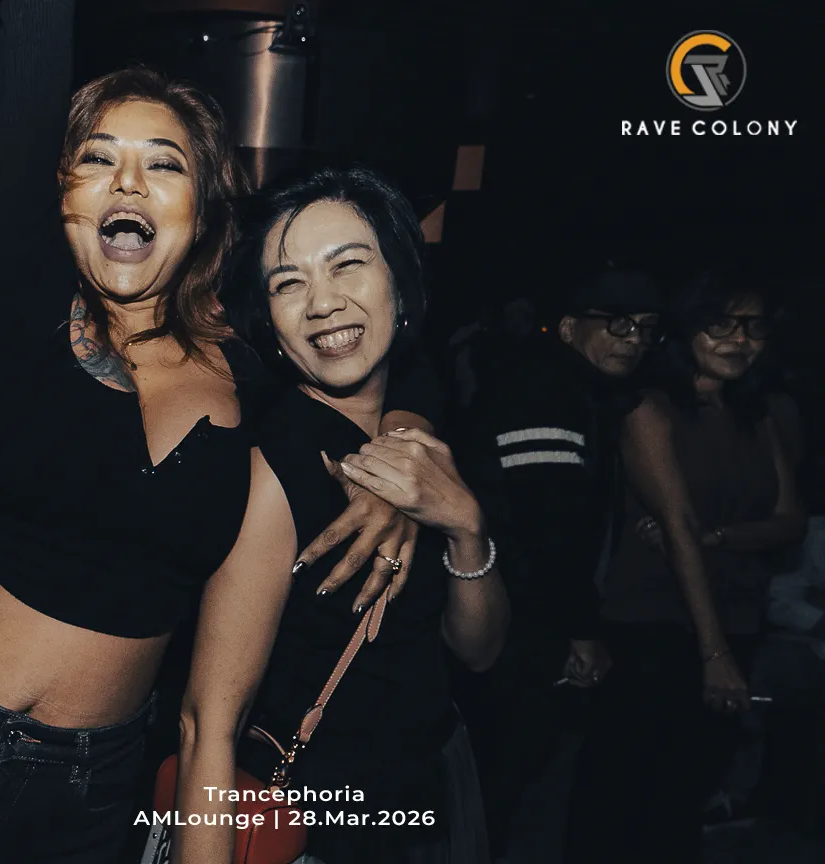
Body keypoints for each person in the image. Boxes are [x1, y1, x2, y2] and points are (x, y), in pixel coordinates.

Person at [0, 2, 436, 860]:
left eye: (164, 164)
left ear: (202, 209)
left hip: (77, 801)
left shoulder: (251, 368)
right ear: (62, 196)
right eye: (98, 158)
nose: (128, 183)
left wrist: (401, 451)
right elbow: (33, 44)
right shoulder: (24, 284)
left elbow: (374, 353)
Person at [173, 167, 510, 864]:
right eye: (288, 283)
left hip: (432, 784)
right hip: (323, 821)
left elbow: (479, 651)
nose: (322, 303)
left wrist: (465, 525)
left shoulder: (418, 447)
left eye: (347, 265)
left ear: (400, 284)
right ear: (269, 321)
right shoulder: (276, 465)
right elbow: (209, 723)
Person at [566, 268, 806, 864]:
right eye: (721, 324)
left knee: (683, 801)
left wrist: (716, 537)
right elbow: (677, 528)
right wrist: (713, 653)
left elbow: (790, 522)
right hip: (655, 624)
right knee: (620, 799)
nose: (740, 340)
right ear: (686, 330)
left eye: (754, 327)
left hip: (739, 617)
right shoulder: (650, 408)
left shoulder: (759, 416)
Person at [454, 269, 661, 860]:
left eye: (647, 329)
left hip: (518, 614)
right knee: (499, 784)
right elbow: (545, 527)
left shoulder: (575, 390)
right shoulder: (544, 388)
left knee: (510, 785)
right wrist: (580, 629)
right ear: (569, 328)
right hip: (514, 620)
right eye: (618, 323)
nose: (634, 339)